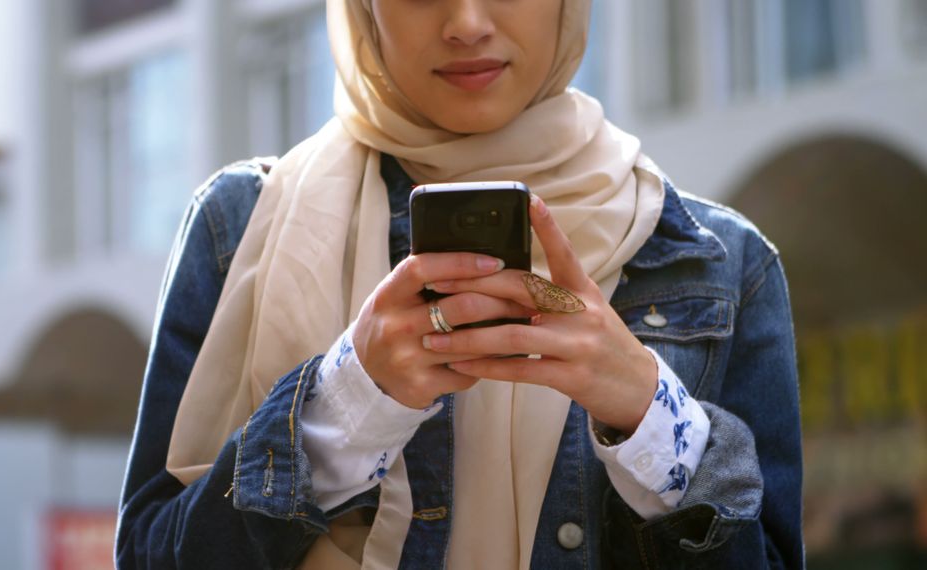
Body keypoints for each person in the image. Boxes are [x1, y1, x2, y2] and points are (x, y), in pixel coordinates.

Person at [116, 0, 803, 568]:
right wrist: (344, 406)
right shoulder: (242, 226)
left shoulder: (718, 261)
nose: (467, 22)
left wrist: (651, 419)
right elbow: (148, 555)